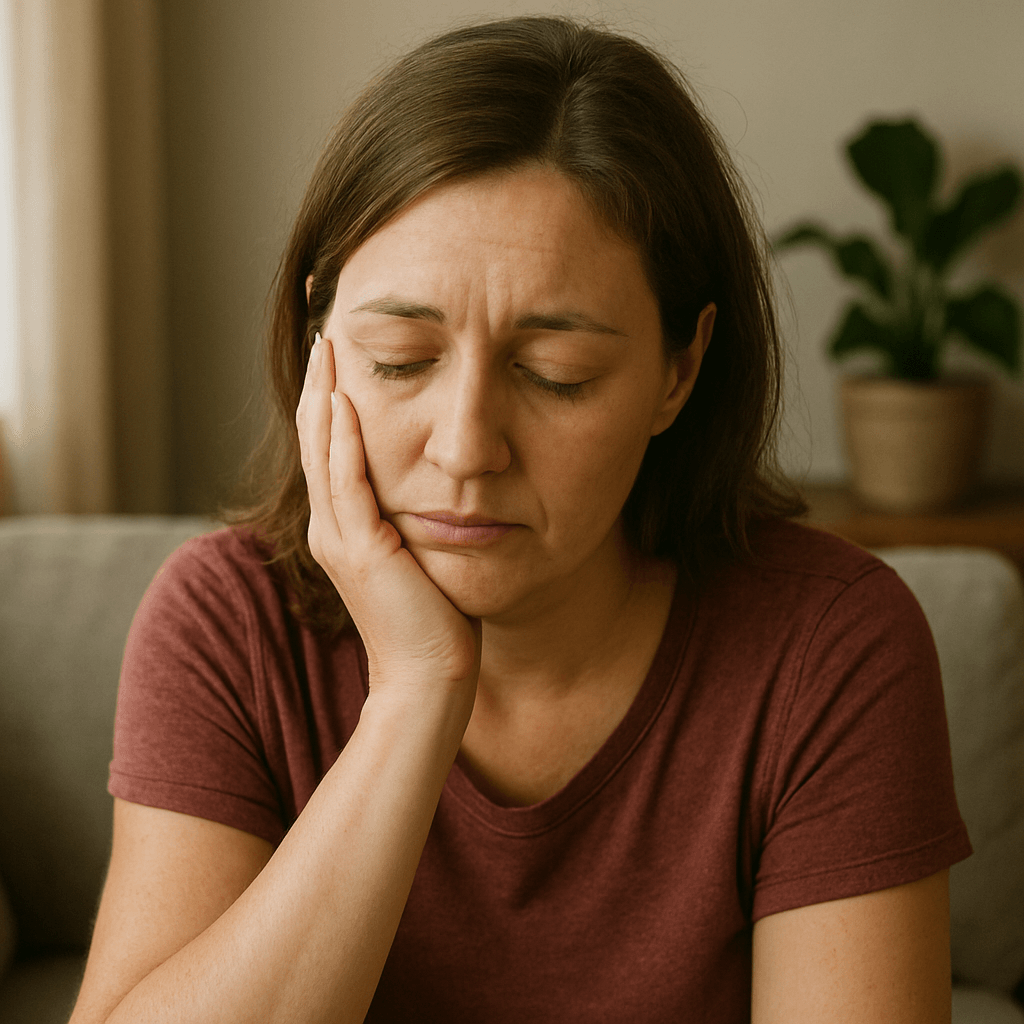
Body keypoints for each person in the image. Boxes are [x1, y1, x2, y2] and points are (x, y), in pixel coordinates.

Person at [69, 15, 970, 1024]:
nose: (464, 446)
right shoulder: (226, 621)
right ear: (318, 335)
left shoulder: (829, 648)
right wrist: (415, 695)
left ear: (678, 370)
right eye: (402, 357)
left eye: (557, 375)